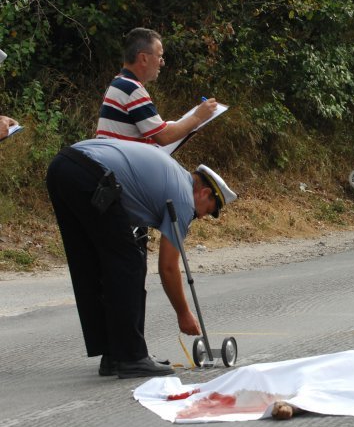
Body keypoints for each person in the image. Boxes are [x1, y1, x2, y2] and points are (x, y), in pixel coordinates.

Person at [46, 138, 237, 378]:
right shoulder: (183, 199)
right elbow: (168, 267)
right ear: (204, 193)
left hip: (62, 167)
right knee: (129, 264)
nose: (201, 217)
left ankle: (114, 354)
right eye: (207, 210)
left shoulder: (171, 176)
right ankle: (131, 357)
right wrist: (183, 313)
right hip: (89, 174)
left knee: (93, 264)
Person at [97, 27, 218, 145]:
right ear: (144, 58)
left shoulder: (119, 83)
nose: (162, 63)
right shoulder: (131, 88)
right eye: (159, 56)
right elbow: (163, 137)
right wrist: (197, 117)